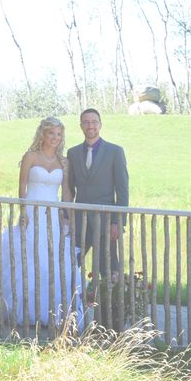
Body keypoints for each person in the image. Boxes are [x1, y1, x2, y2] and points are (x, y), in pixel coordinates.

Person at [0, 117, 83, 327]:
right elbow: (22, 187)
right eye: (51, 133)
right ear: (43, 134)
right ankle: (22, 310)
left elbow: (66, 192)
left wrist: (70, 217)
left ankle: (52, 311)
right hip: (32, 213)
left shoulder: (64, 162)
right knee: (28, 258)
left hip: (53, 216)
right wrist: (24, 212)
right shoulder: (30, 156)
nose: (55, 138)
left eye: (59, 134)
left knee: (52, 260)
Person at [64, 108, 130, 273]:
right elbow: (68, 188)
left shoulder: (115, 151)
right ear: (81, 126)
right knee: (69, 265)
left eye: (94, 122)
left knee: (108, 269)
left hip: (106, 221)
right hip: (79, 221)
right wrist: (66, 216)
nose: (90, 126)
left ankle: (110, 290)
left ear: (100, 125)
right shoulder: (72, 153)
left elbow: (122, 190)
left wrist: (118, 221)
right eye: (86, 122)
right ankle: (73, 291)